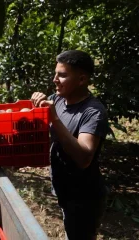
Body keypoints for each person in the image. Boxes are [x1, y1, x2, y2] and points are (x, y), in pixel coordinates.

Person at [31, 50, 109, 240]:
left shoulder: (93, 112)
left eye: (62, 75)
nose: (55, 80)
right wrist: (36, 109)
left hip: (84, 198)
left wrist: (54, 118)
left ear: (82, 79)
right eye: (55, 73)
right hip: (65, 189)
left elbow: (84, 158)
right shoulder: (58, 99)